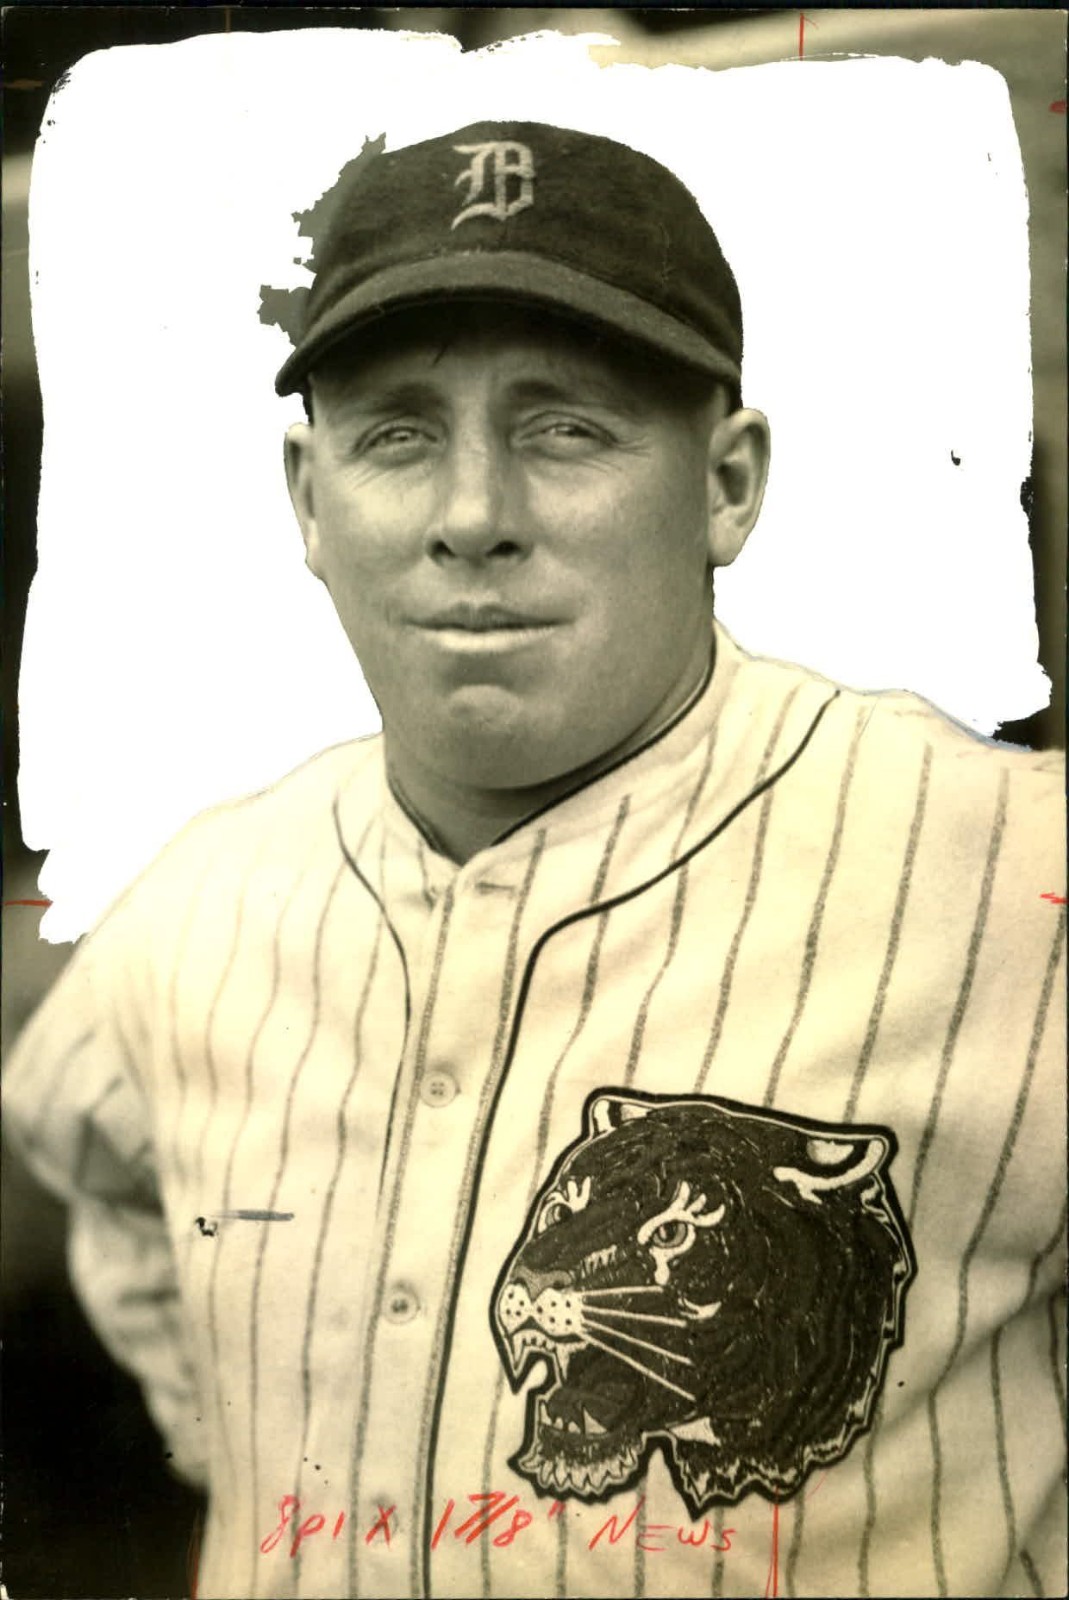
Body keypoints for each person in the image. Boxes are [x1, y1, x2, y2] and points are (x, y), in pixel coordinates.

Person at [5, 121, 1064, 1600]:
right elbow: (98, 1169)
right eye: (397, 435)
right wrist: (249, 1448)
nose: (472, 519)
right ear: (308, 499)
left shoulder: (1016, 877)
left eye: (565, 428)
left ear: (727, 486)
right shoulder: (200, 904)